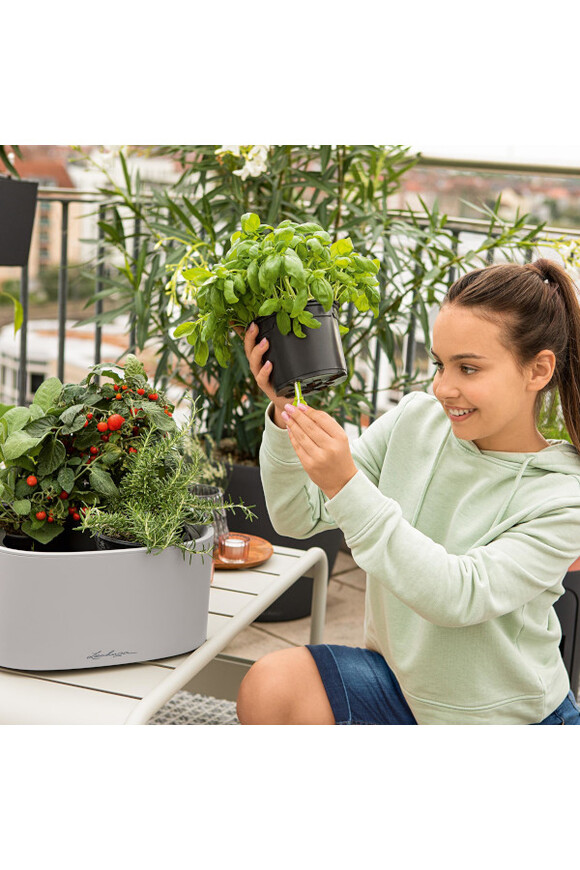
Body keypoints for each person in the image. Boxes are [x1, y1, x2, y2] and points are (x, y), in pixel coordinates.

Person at [236, 258, 580, 725]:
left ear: (538, 370)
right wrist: (283, 412)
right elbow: (298, 516)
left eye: (469, 368)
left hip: (505, 722)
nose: (443, 387)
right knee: (272, 686)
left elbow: (458, 595)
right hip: (401, 690)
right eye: (440, 364)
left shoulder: (563, 496)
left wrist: (346, 483)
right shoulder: (414, 421)